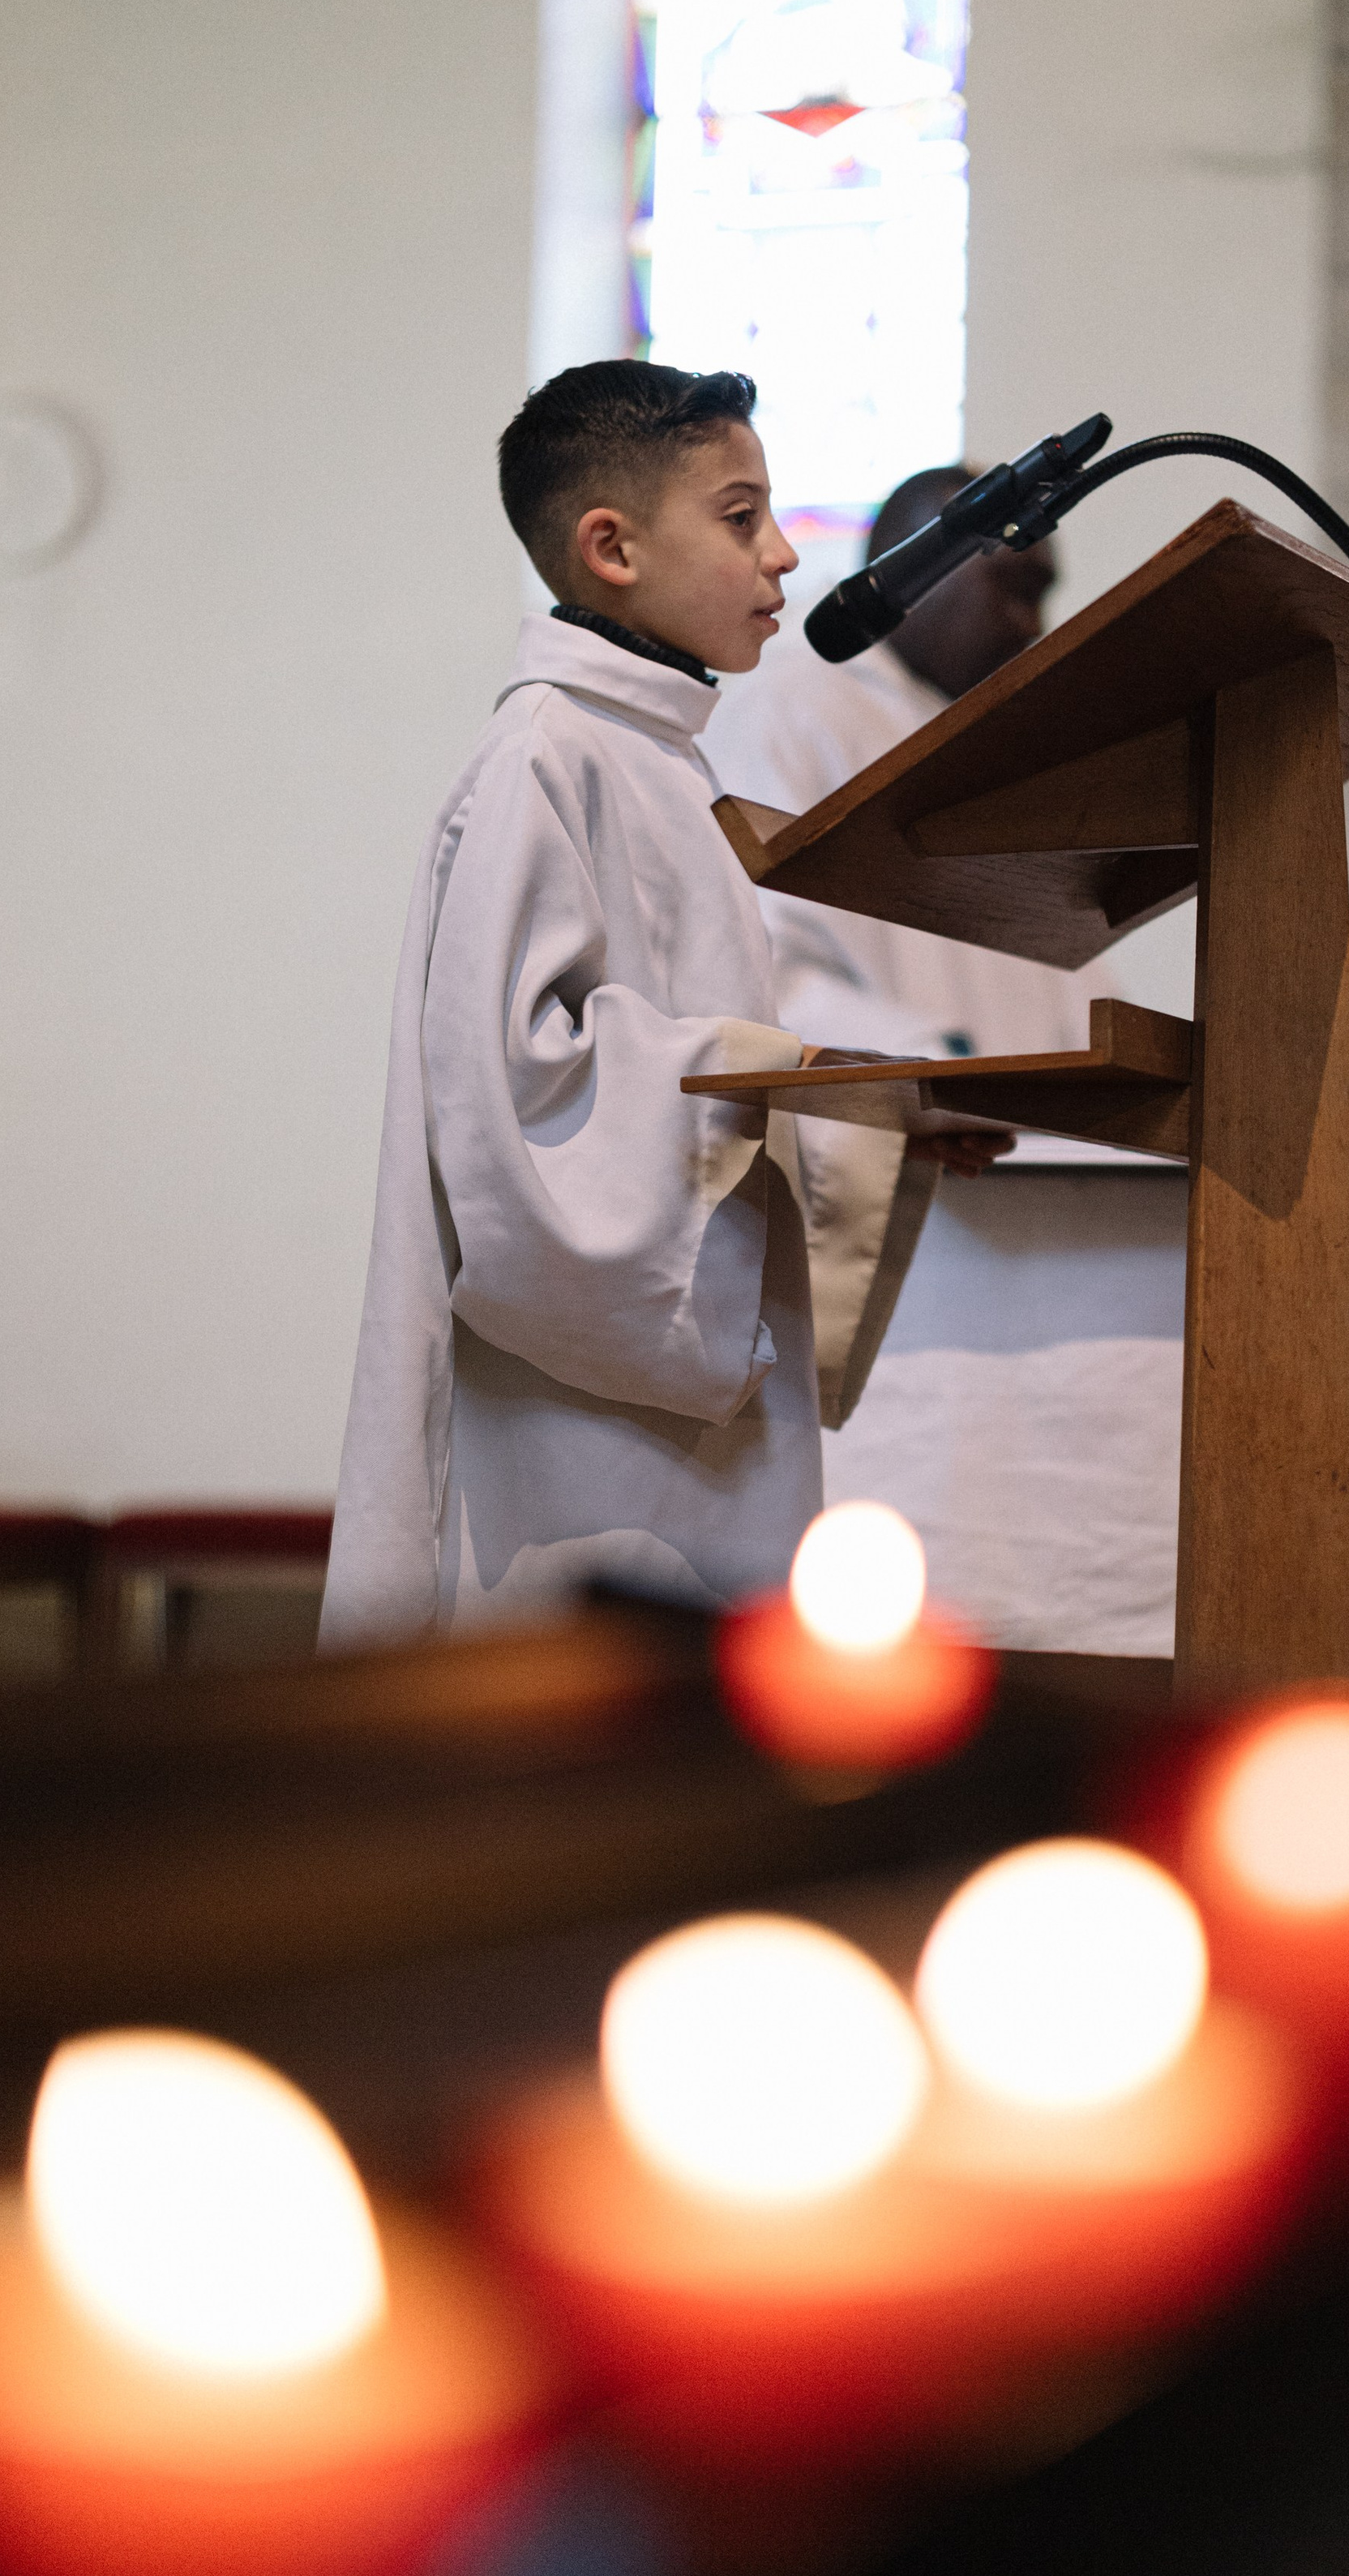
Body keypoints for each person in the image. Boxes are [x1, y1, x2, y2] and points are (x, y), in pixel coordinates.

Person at [319, 362, 1000, 1646]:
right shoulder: (544, 758)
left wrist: (863, 1113)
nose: (784, 555)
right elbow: (524, 1105)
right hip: (581, 1420)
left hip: (681, 1388)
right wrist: (820, 1087)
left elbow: (688, 1066)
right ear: (613, 548)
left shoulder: (659, 758)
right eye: (741, 517)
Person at [707, 464, 1121, 1064]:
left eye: (1041, 597)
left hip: (1014, 1114)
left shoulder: (996, 743)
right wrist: (932, 1060)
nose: (1034, 625)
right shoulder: (790, 707)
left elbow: (1062, 964)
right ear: (919, 568)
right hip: (897, 1105)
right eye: (1015, 590)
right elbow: (755, 966)